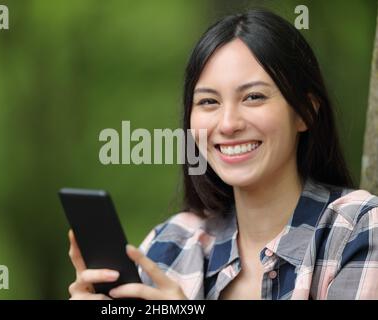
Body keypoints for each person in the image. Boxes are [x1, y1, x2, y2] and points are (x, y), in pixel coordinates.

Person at [67, 9, 378, 300]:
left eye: (253, 97)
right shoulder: (172, 245)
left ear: (305, 113)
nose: (228, 124)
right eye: (208, 102)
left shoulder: (355, 231)